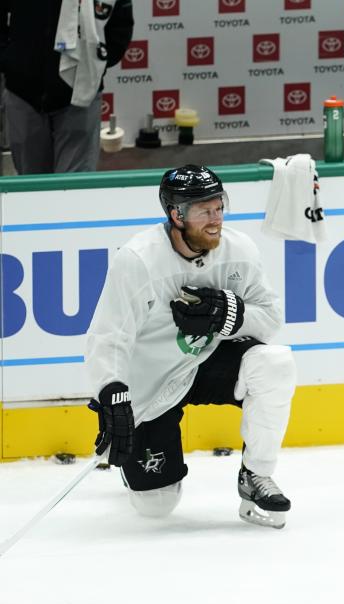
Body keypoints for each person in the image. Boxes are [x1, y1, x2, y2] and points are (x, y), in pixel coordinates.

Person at [85, 164, 296, 529]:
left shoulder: (239, 250)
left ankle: (256, 474)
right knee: (156, 507)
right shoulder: (138, 260)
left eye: (219, 207)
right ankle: (135, 474)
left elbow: (271, 318)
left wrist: (231, 315)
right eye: (203, 211)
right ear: (175, 214)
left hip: (209, 361)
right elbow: (109, 335)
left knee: (274, 362)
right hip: (153, 381)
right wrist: (113, 394)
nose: (215, 219)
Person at [0, 0, 133, 174]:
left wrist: (95, 64)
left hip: (81, 95)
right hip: (23, 95)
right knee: (31, 189)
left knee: (74, 190)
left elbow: (120, 24)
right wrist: (10, 62)